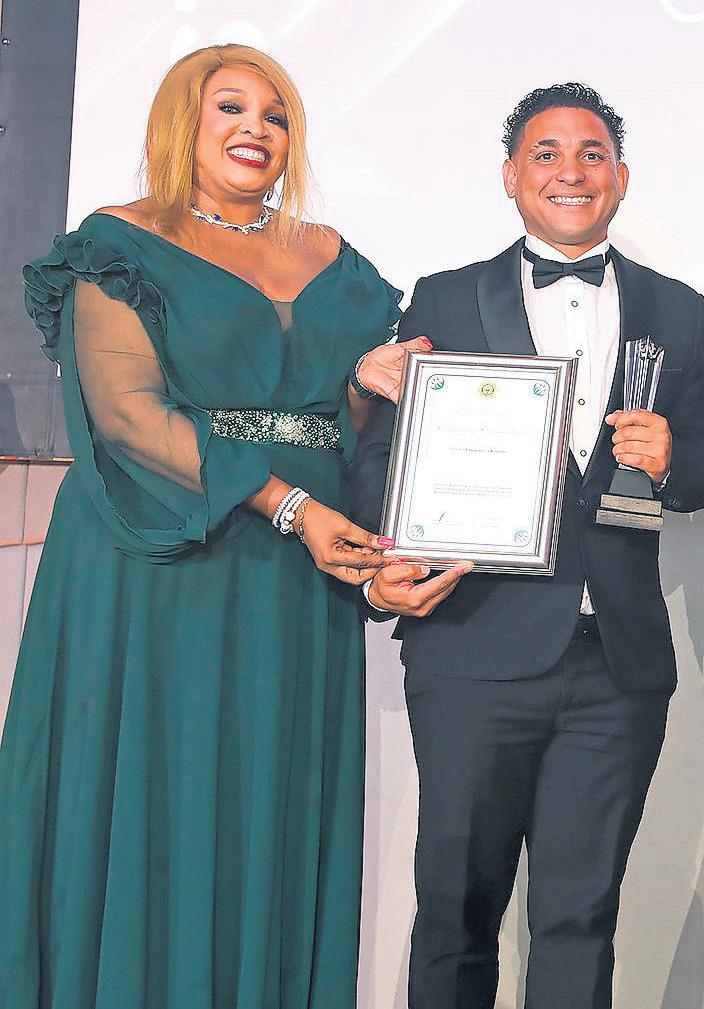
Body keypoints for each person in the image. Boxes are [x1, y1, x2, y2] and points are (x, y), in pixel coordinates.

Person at [0, 44, 419, 1008]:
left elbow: (331, 421)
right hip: (161, 561)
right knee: (162, 790)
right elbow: (127, 415)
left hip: (293, 581)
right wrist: (289, 506)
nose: (255, 128)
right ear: (181, 119)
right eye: (230, 106)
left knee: (264, 798)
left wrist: (362, 392)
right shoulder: (119, 242)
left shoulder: (336, 259)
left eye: (276, 115)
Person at [348, 82, 704, 1009]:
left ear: (621, 178)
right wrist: (383, 567)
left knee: (580, 919)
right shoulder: (445, 296)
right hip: (472, 647)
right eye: (546, 154)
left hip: (616, 663)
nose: (571, 171)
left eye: (593, 154)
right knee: (455, 911)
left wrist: (674, 458)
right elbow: (386, 457)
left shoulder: (678, 308)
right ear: (511, 177)